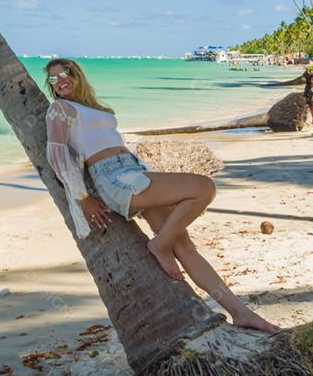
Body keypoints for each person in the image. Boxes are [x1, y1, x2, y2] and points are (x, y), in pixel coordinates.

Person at [43, 58, 280, 333]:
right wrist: (82, 196)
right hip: (114, 178)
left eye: (65, 73)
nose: (60, 80)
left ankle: (240, 313)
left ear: (77, 75)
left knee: (185, 245)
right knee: (204, 187)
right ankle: (159, 245)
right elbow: (56, 152)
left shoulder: (89, 107)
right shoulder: (60, 108)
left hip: (133, 170)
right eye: (53, 78)